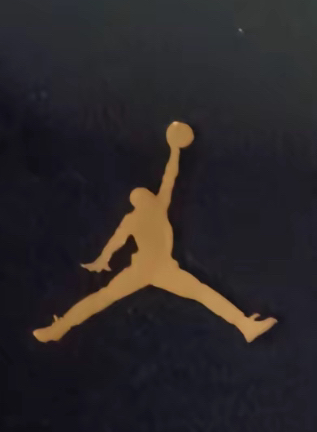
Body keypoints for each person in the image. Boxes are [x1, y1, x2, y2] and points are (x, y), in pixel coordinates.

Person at [33, 122, 277, 343]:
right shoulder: (141, 215)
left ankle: (245, 325)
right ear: (139, 202)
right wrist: (103, 259)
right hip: (145, 268)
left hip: (163, 268)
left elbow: (170, 177)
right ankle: (58, 328)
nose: (147, 196)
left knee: (200, 293)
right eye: (142, 196)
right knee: (105, 298)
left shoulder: (156, 209)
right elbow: (117, 241)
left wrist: (175, 151)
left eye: (146, 195)